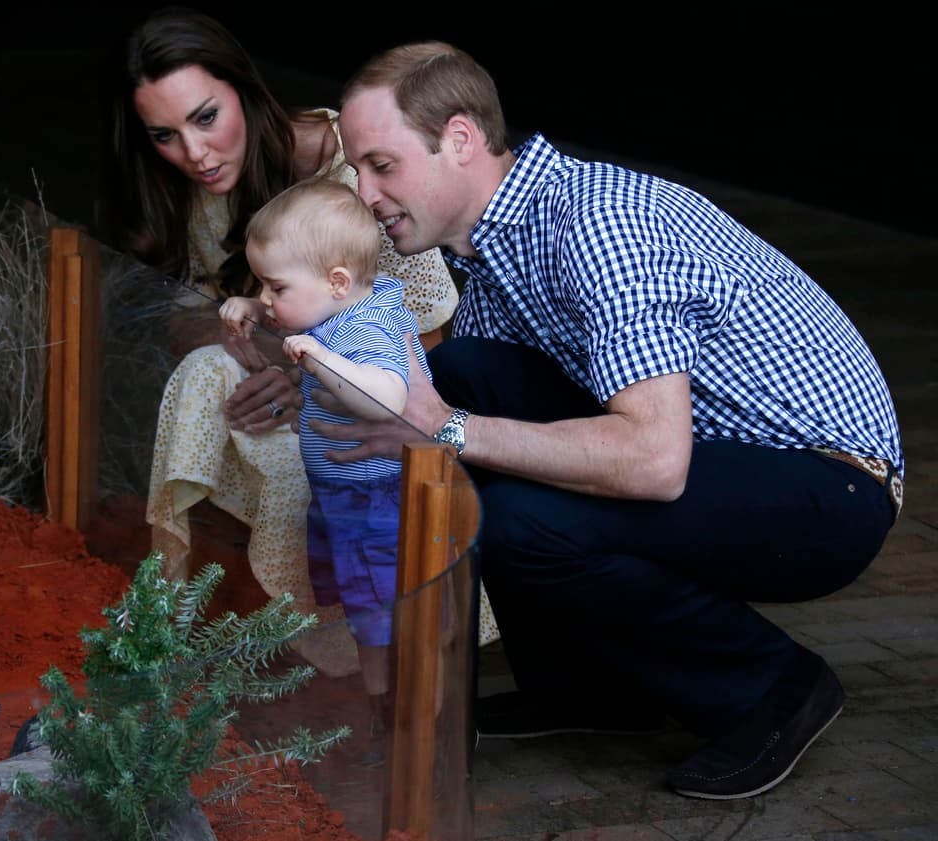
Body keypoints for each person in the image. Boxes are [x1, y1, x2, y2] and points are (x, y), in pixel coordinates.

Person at [319, 40, 904, 799]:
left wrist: (451, 428)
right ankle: (594, 689)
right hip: (721, 457)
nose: (364, 193)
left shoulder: (597, 223)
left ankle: (775, 687)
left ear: (458, 139)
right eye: (357, 170)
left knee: (523, 515)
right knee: (467, 375)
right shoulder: (495, 256)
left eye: (381, 165)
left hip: (829, 484)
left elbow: (655, 461)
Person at [110, 7, 499, 677]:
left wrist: (314, 374)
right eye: (165, 135)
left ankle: (378, 659)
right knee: (206, 373)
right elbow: (182, 310)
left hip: (392, 404)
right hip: (303, 393)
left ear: (246, 89)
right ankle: (192, 606)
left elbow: (430, 329)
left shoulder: (352, 169)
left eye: (206, 118)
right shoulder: (200, 185)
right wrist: (258, 345)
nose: (195, 153)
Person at [220, 178, 431, 760]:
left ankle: (397, 713)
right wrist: (254, 308)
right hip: (344, 495)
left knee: (381, 608)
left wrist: (321, 357)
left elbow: (389, 397)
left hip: (376, 497)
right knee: (366, 610)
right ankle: (382, 702)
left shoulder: (363, 327)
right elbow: (298, 316)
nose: (267, 296)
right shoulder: (346, 302)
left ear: (337, 281)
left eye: (275, 285)